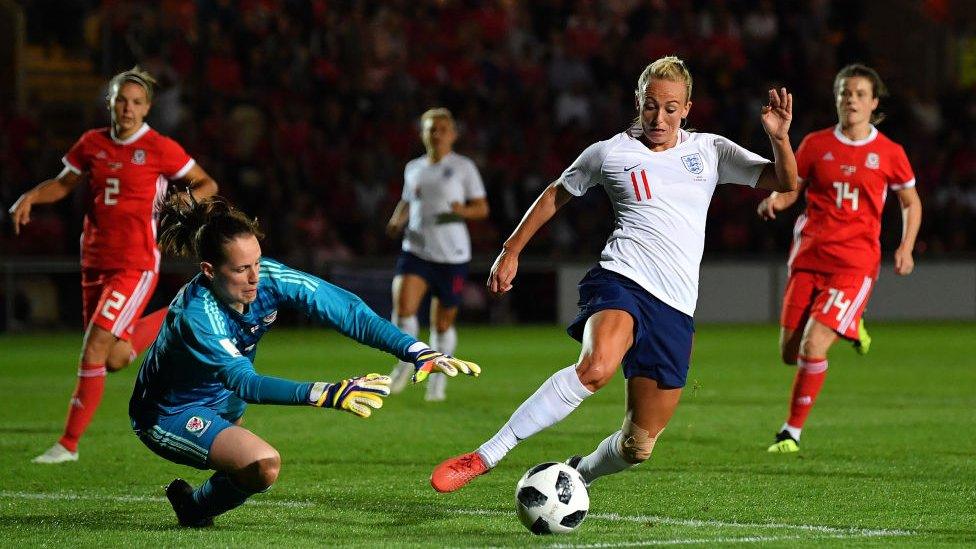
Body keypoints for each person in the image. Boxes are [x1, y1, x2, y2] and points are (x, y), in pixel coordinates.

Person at [430, 55, 797, 492]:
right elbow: (555, 194)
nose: (659, 117)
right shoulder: (611, 152)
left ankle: (578, 475)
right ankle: (488, 453)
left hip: (675, 306)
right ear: (638, 102)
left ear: (688, 109)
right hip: (622, 279)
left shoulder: (710, 150)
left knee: (637, 446)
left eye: (671, 108)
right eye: (650, 106)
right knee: (597, 367)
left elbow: (785, 181)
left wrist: (779, 139)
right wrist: (512, 249)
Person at [130, 195, 481, 528]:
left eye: (257, 262)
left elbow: (347, 311)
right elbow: (246, 382)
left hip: (223, 395)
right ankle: (196, 506)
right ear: (209, 270)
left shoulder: (267, 277)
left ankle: (194, 504)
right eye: (241, 269)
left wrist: (415, 349)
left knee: (244, 467)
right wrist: (324, 393)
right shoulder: (197, 315)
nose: (255, 277)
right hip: (169, 412)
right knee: (262, 464)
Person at [8, 67, 220, 464]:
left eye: (136, 102)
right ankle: (180, 311)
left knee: (94, 346)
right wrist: (31, 198)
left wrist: (184, 201)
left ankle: (67, 444)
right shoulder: (92, 143)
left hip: (135, 263)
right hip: (94, 261)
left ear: (147, 108)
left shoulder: (159, 147)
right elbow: (64, 183)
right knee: (115, 358)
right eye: (121, 99)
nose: (127, 108)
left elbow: (206, 183)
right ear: (110, 102)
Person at [758, 64, 922, 453]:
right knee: (789, 353)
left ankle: (790, 433)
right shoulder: (815, 144)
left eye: (860, 93)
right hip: (809, 258)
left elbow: (911, 203)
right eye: (845, 92)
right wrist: (776, 201)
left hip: (855, 264)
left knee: (814, 347)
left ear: (874, 103)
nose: (852, 99)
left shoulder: (889, 153)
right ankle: (853, 323)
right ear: (836, 98)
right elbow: (792, 187)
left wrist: (906, 247)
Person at [385, 108, 489, 401]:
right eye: (431, 128)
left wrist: (462, 211)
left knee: (442, 323)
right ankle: (406, 363)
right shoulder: (413, 167)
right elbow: (408, 201)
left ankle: (438, 380)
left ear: (453, 134)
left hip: (452, 254)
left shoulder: (463, 167)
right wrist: (397, 220)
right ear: (423, 134)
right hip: (416, 250)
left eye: (443, 128)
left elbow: (481, 208)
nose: (437, 133)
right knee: (402, 310)